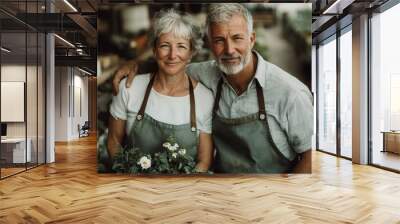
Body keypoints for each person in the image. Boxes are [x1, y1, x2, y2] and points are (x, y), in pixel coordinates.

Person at [113, 4, 313, 173]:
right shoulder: (206, 74)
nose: (229, 50)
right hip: (221, 192)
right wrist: (138, 65)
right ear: (209, 44)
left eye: (237, 38)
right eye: (219, 41)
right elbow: (173, 63)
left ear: (251, 39)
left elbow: (310, 156)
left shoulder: (290, 93)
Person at [107, 9, 214, 172]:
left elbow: (204, 161)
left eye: (181, 46)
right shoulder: (129, 88)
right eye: (165, 45)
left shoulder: (205, 97)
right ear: (155, 50)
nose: (173, 55)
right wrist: (127, 176)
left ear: (191, 53)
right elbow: (113, 142)